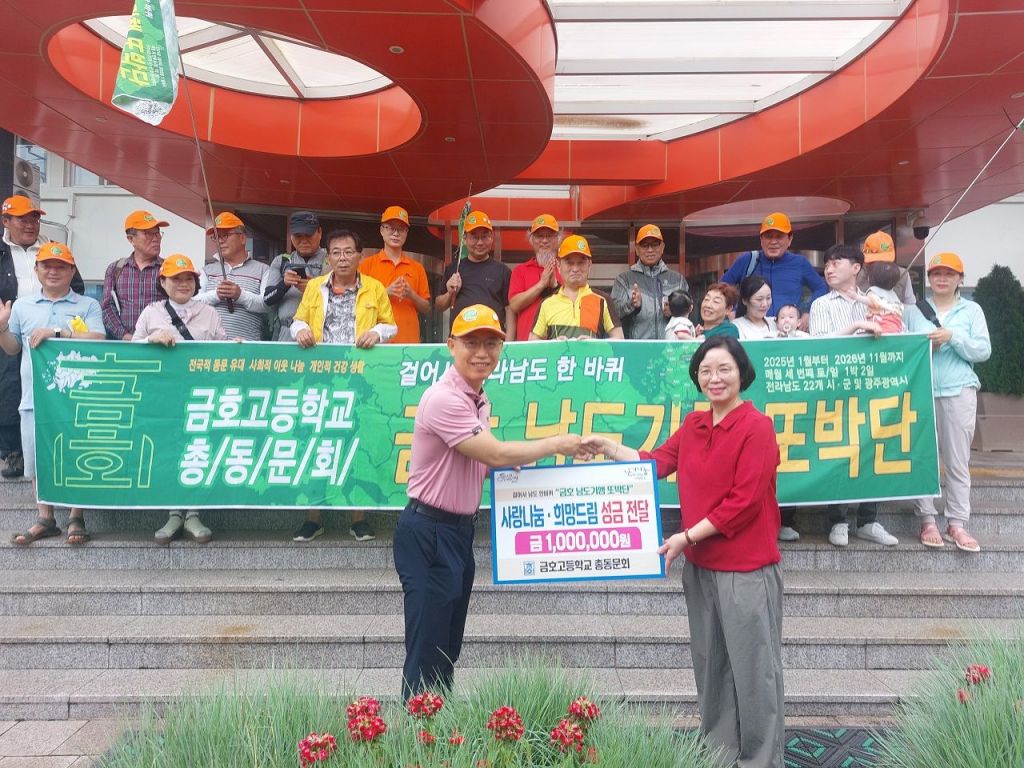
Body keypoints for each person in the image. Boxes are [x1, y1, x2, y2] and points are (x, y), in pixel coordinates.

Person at [580, 336, 784, 768]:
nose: (714, 378)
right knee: (712, 668)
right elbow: (654, 462)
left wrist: (686, 537)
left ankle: (761, 759)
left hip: (746, 570)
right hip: (701, 569)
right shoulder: (694, 425)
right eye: (706, 371)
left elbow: (744, 502)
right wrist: (608, 448)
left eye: (724, 369)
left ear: (742, 373)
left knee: (755, 673)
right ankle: (720, 753)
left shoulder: (757, 427)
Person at [395, 304, 582, 699]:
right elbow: (494, 452)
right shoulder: (444, 398)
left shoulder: (477, 398)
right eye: (472, 343)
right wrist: (556, 444)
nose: (482, 353)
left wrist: (506, 469)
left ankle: (438, 724)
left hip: (457, 533)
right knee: (427, 650)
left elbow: (481, 459)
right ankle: (417, 729)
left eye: (491, 344)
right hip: (429, 532)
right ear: (451, 346)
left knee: (446, 647)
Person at [291, 229, 397, 542]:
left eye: (348, 252)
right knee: (317, 443)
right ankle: (313, 518)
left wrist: (377, 333)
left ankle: (359, 518)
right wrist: (300, 331)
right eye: (336, 252)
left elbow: (390, 324)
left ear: (359, 256)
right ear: (328, 257)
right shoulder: (314, 287)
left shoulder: (374, 288)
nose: (342, 258)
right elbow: (298, 320)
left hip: (359, 379)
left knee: (358, 444)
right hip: (321, 378)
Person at [0, 242, 104, 546]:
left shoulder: (88, 305)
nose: (53, 271)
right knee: (36, 457)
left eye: (61, 266)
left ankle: (76, 516)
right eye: (47, 265)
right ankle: (45, 517)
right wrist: (2, 329)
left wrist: (58, 333)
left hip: (77, 398)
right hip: (34, 397)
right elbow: (13, 349)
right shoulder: (22, 306)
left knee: (76, 454)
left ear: (72, 271)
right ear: (36, 270)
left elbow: (98, 339)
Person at [809, 244, 898, 548]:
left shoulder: (874, 300)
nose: (829, 268)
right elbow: (820, 343)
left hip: (872, 389)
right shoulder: (821, 304)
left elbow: (896, 326)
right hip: (836, 390)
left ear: (856, 268)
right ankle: (838, 520)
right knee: (839, 450)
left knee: (873, 449)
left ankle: (868, 520)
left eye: (836, 263)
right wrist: (858, 326)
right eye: (827, 264)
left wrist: (875, 313)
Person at [133, 255, 226, 545]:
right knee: (170, 451)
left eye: (189, 279)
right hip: (163, 397)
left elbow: (223, 352)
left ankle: (194, 514)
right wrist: (150, 340)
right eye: (176, 279)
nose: (183, 284)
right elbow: (132, 351)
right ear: (163, 282)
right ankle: (174, 513)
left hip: (200, 396)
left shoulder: (209, 313)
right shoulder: (151, 313)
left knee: (197, 449)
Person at [905, 252, 990, 552]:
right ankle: (927, 519)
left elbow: (983, 351)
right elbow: (902, 350)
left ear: (960, 279)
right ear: (928, 278)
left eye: (949, 274)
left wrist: (952, 337)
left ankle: (957, 522)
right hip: (921, 391)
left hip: (958, 390)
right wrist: (925, 347)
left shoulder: (972, 310)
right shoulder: (913, 312)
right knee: (922, 458)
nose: (942, 279)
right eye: (936, 273)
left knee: (957, 461)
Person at [0, 195, 84, 480]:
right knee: (9, 388)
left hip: (50, 333)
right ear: (6, 221)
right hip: (9, 329)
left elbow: (77, 287)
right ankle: (13, 451)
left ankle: (55, 448)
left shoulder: (53, 249)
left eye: (34, 218)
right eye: (22, 219)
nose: (30, 224)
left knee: (54, 388)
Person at [721, 212, 827, 326]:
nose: (773, 242)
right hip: (751, 328)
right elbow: (721, 288)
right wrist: (731, 309)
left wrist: (807, 311)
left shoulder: (800, 263)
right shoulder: (747, 260)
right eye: (768, 236)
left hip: (787, 329)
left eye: (779, 237)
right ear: (761, 239)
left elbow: (821, 287)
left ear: (790, 239)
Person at [359, 206, 431, 343]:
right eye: (391, 228)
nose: (396, 233)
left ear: (406, 233)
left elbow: (426, 308)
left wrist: (411, 294)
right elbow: (356, 302)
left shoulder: (417, 267)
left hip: (408, 342)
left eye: (401, 229)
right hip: (374, 341)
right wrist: (385, 292)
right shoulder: (366, 265)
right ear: (382, 230)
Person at [529, 236, 623, 340]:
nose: (575, 269)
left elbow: (619, 338)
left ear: (589, 265)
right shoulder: (547, 303)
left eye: (581, 263)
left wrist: (595, 344)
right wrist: (553, 344)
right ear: (558, 265)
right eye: (569, 263)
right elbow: (532, 342)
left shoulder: (603, 300)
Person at [197, 212, 270, 341]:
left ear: (242, 238)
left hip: (247, 346)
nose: (220, 241)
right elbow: (193, 303)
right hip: (211, 347)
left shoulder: (263, 270)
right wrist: (216, 295)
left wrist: (240, 295)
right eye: (216, 237)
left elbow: (267, 305)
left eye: (225, 235)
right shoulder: (206, 271)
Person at [435, 211, 512, 333]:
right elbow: (439, 306)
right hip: (461, 337)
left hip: (493, 337)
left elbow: (509, 309)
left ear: (492, 238)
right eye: (474, 237)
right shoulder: (454, 269)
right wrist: (450, 293)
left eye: (484, 237)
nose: (480, 243)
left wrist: (509, 341)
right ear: (464, 239)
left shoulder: (503, 271)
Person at [611, 224, 689, 340]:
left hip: (670, 347)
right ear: (637, 249)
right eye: (644, 245)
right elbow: (613, 315)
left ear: (662, 247)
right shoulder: (624, 280)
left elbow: (688, 312)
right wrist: (632, 305)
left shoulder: (678, 280)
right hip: (637, 347)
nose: (650, 250)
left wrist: (674, 311)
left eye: (655, 244)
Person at [101, 210, 167, 341]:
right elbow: (107, 307)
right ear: (131, 239)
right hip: (125, 345)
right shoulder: (116, 269)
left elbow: (180, 305)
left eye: (157, 233)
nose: (156, 238)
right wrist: (126, 336)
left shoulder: (168, 268)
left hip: (162, 344)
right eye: (148, 233)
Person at [264, 211, 327, 341]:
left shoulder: (332, 260)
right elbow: (267, 299)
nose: (303, 240)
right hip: (286, 332)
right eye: (298, 236)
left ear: (320, 232)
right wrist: (284, 284)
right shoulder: (282, 261)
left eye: (308, 235)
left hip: (321, 332)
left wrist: (314, 290)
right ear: (290, 236)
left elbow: (344, 300)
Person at [508, 214, 562, 341]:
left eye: (549, 236)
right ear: (531, 240)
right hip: (528, 345)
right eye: (539, 236)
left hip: (560, 343)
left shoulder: (566, 269)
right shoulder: (520, 271)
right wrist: (541, 285)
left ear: (558, 239)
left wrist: (555, 286)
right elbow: (514, 305)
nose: (544, 240)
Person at [859, 231, 915, 305]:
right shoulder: (855, 274)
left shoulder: (903, 274)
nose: (879, 266)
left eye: (884, 261)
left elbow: (910, 305)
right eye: (875, 261)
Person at [856, 261, 904, 333]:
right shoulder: (893, 294)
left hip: (881, 324)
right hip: (896, 324)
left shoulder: (873, 291)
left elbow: (872, 301)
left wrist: (856, 296)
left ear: (869, 278)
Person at [733, 275, 777, 339]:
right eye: (759, 299)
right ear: (745, 300)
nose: (765, 304)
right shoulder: (736, 326)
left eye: (768, 298)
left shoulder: (776, 323)